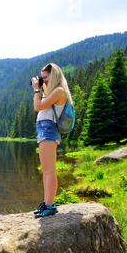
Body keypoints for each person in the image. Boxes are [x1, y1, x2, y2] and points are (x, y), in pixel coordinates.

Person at [31, 63, 73, 218]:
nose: (43, 80)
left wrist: (37, 89)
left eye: (46, 77)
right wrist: (41, 89)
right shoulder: (53, 92)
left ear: (54, 75)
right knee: (46, 170)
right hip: (44, 128)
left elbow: (38, 106)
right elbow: (41, 105)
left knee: (49, 170)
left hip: (49, 129)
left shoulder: (59, 91)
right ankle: (46, 203)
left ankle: (50, 206)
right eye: (42, 77)